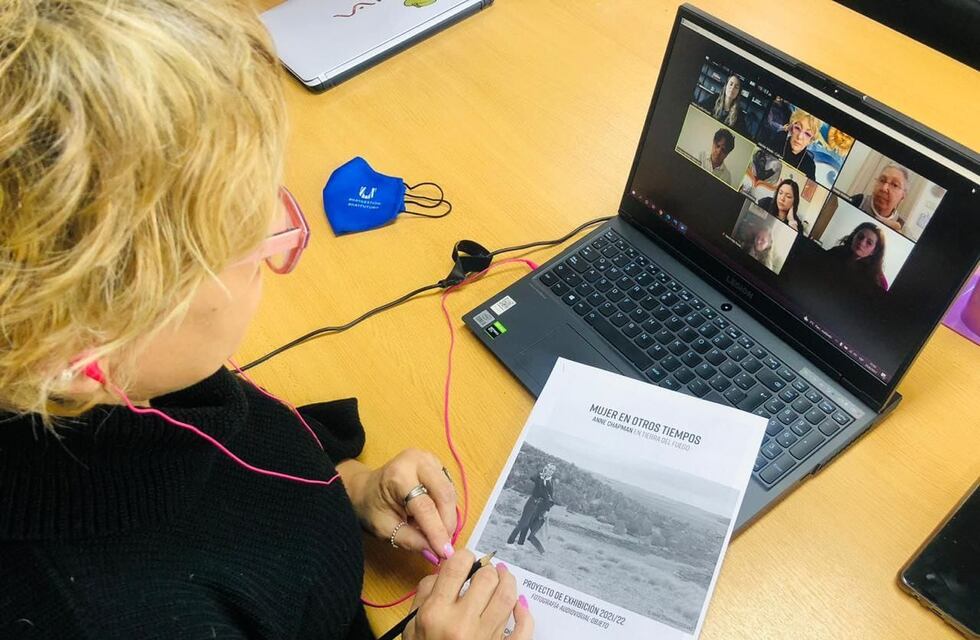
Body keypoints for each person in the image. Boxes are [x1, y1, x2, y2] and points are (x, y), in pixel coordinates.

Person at [0, 2, 532, 640]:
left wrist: (344, 486)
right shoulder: (102, 615)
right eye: (247, 244)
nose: (282, 244)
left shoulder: (129, 373)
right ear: (83, 353)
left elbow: (224, 462)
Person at [825, 222, 889, 290]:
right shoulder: (836, 251)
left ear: (874, 251)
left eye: (869, 243)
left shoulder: (876, 279)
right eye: (860, 237)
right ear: (854, 236)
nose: (861, 243)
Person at [507, 463, 558, 549]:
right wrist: (541, 474)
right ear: (546, 468)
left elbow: (550, 497)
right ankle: (509, 542)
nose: (550, 471)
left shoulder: (551, 481)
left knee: (528, 524)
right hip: (532, 503)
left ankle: (520, 543)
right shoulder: (539, 476)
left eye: (552, 470)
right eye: (549, 468)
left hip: (540, 506)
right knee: (523, 523)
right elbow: (532, 478)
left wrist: (547, 510)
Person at [850, 164, 909, 232]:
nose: (884, 188)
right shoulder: (858, 201)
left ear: (903, 196)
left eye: (894, 185)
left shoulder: (902, 228)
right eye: (882, 180)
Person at [772, 109, 820, 181]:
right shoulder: (776, 142)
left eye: (807, 134)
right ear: (791, 128)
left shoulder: (809, 165)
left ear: (811, 140)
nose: (800, 137)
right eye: (797, 128)